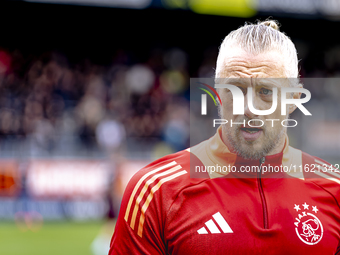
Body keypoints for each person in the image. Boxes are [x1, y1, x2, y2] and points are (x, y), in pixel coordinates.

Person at [109, 20, 340, 254]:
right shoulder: (156, 192)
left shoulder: (335, 190)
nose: (249, 108)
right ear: (217, 96)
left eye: (266, 91)